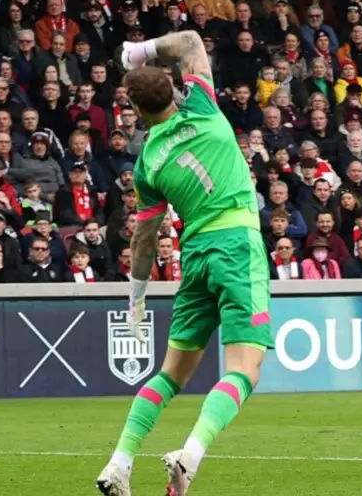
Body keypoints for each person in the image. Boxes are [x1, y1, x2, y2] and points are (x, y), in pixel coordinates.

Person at [98, 31, 271, 496]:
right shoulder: (204, 107)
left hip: (193, 256)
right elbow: (194, 40)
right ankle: (189, 455)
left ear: (137, 113)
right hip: (237, 246)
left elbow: (145, 237)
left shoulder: (148, 163)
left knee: (170, 375)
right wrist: (142, 52)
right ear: (177, 90)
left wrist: (136, 297)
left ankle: (119, 462)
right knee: (244, 369)